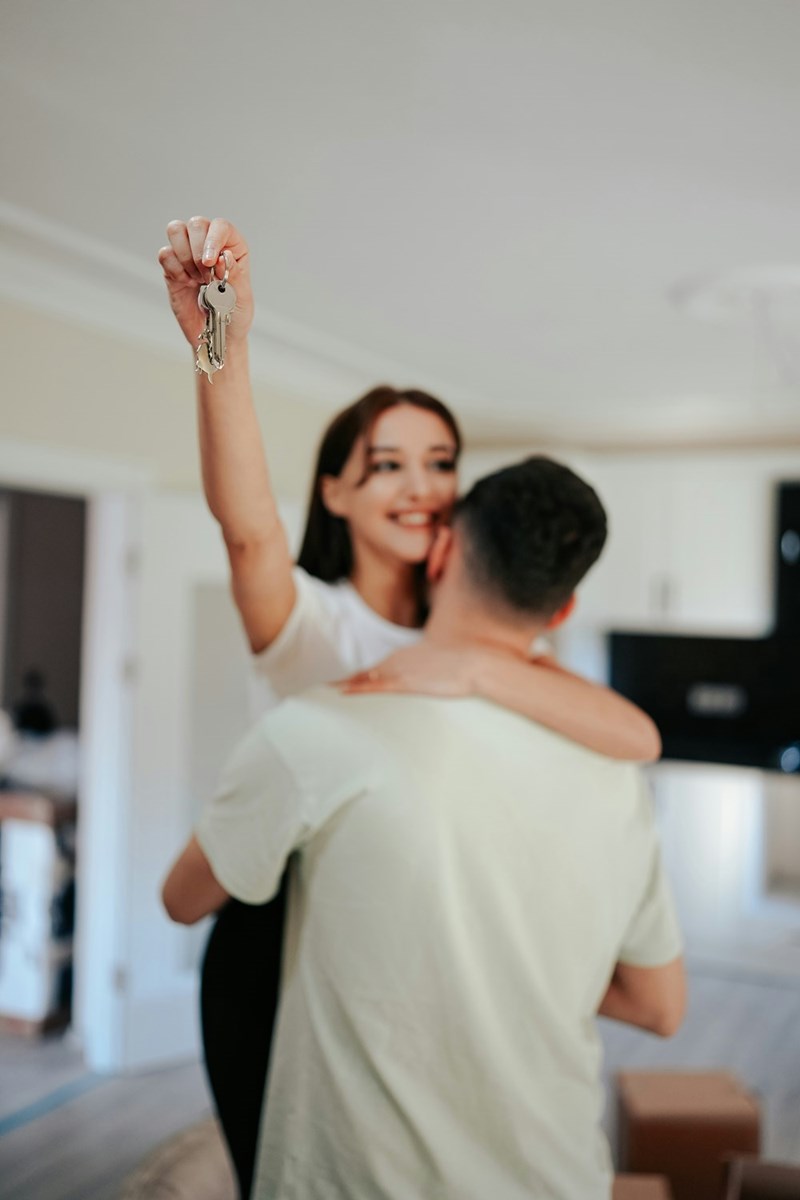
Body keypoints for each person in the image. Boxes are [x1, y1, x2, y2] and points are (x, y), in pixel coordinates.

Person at [158, 217, 662, 1197]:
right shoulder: (313, 625)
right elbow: (248, 530)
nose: (421, 485)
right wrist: (220, 338)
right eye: (385, 464)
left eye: (438, 460)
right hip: (278, 939)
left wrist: (472, 673)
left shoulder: (484, 638)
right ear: (335, 493)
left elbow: (631, 733)